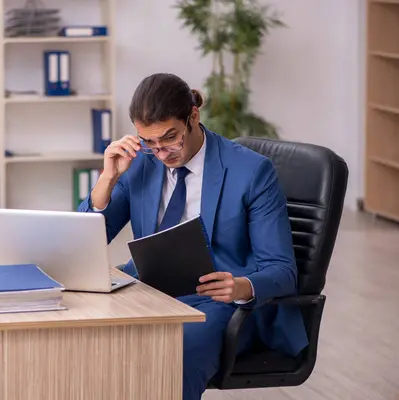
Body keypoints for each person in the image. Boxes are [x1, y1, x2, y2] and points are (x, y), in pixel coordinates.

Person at [77, 73, 309, 399]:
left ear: (193, 117)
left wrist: (241, 286)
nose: (162, 154)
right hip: (149, 292)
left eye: (170, 138)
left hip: (219, 304)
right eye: (150, 143)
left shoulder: (251, 172)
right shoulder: (142, 162)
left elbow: (283, 270)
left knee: (172, 354)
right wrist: (107, 179)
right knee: (79, 336)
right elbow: (84, 242)